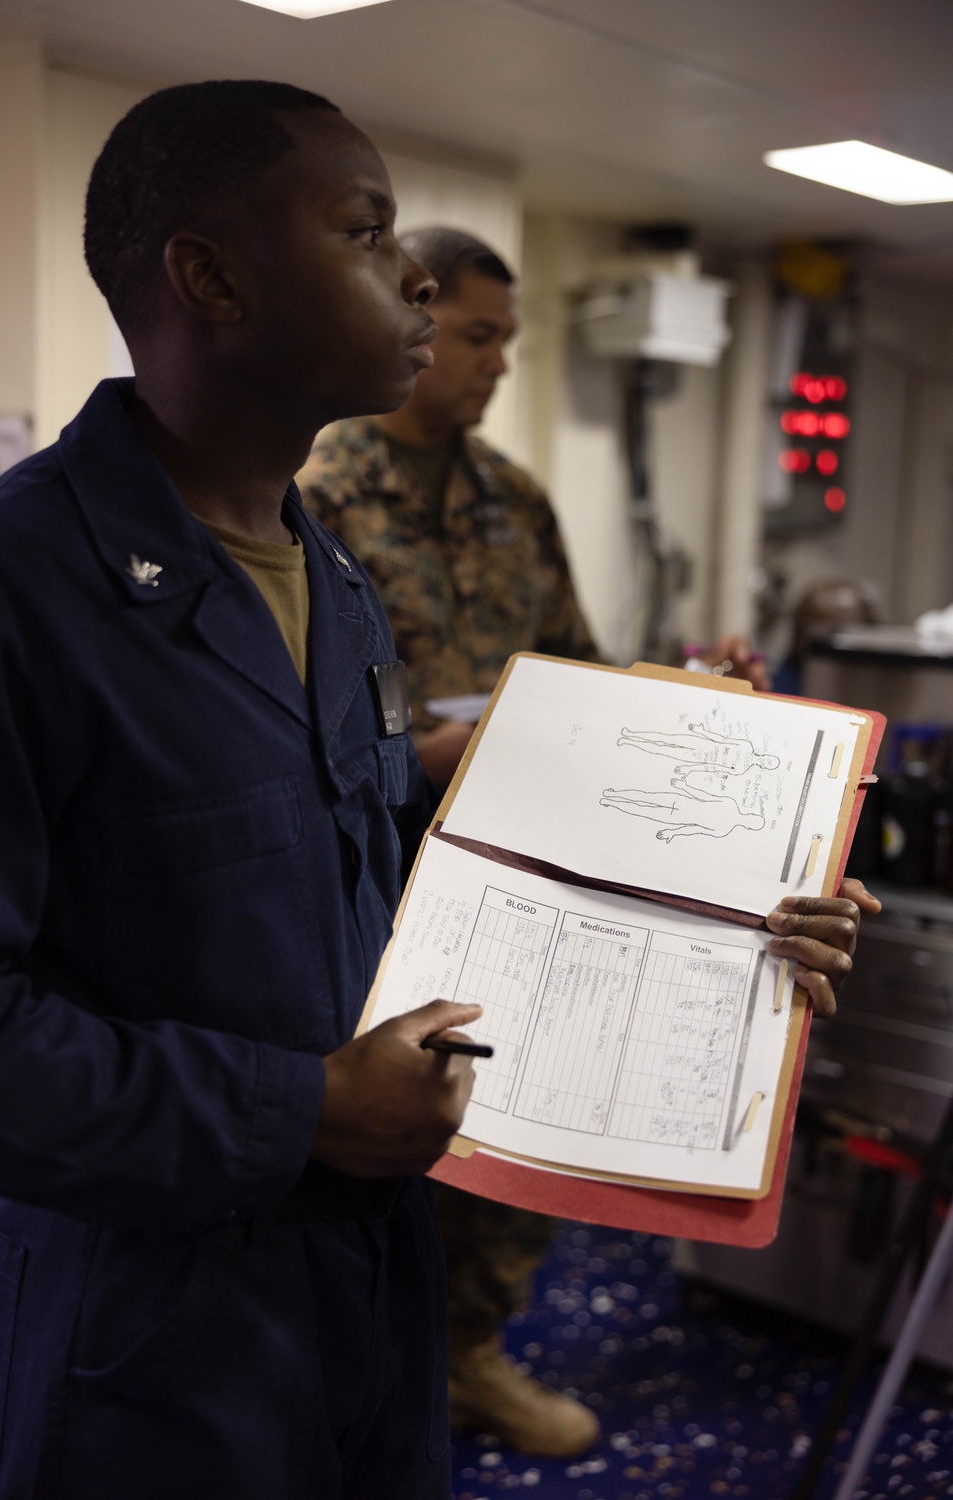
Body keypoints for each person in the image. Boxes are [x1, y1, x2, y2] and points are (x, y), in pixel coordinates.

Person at [0, 81, 490, 1500]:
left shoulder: (338, 586)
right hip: (139, 1346)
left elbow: (369, 896)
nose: (417, 272)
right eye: (368, 230)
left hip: (369, 1300)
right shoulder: (1, 586)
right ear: (212, 276)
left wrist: (724, 943)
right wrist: (303, 1109)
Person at [297, 228, 878, 1458]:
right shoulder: (323, 489)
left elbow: (570, 665)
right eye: (475, 333)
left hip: (539, 848)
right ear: (412, 314)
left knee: (519, 1102)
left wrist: (680, 689)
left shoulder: (515, 497)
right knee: (384, 1140)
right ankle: (362, 1379)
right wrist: (427, 752)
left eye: (509, 338)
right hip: (391, 858)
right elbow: (319, 711)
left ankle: (466, 1354)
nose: (497, 361)